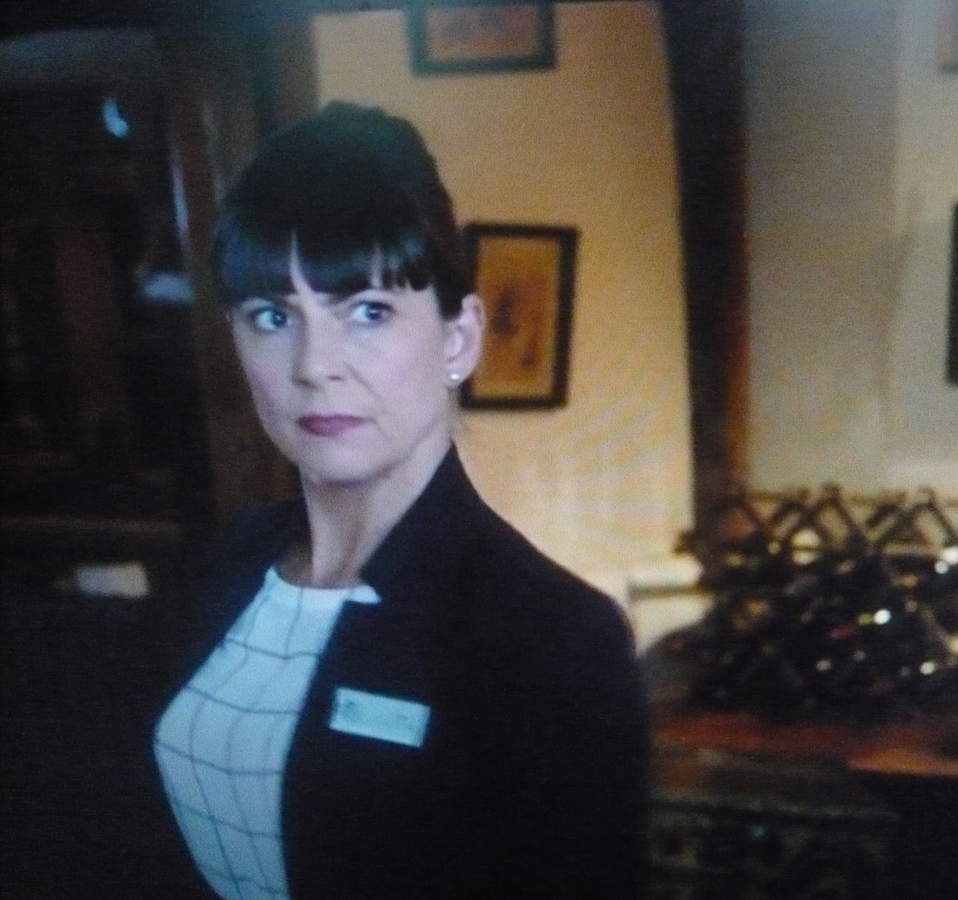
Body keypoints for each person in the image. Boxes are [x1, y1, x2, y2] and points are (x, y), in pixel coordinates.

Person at [152, 102, 648, 898]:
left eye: (368, 312)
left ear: (458, 339)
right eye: (273, 316)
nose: (315, 365)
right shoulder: (233, 561)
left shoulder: (549, 636)